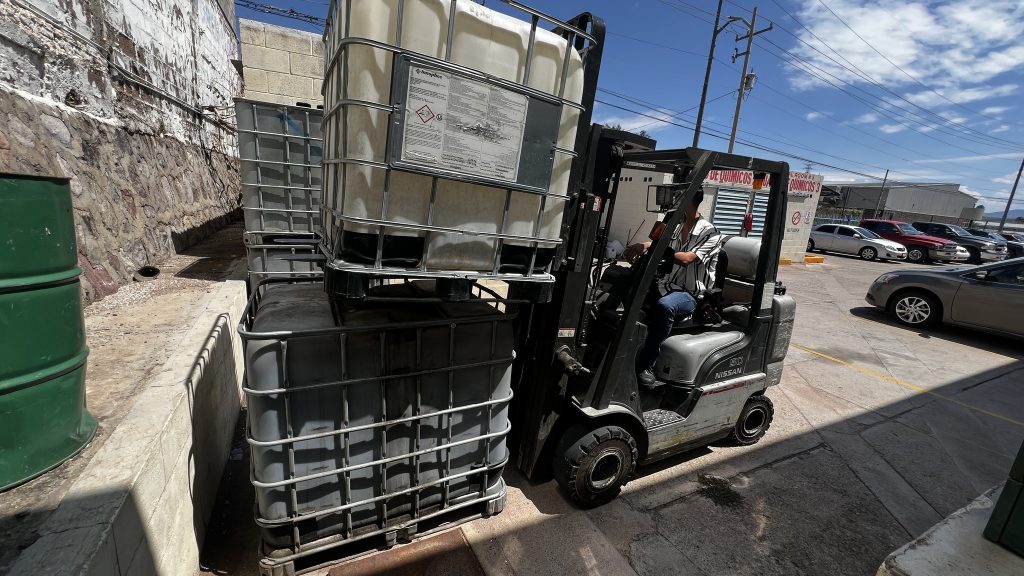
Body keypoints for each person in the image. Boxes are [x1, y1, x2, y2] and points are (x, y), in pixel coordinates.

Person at [621, 190, 722, 388]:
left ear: (689, 200)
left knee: (665, 306)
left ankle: (647, 363)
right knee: (629, 287)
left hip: (691, 294)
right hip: (667, 284)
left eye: (679, 198)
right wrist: (643, 246)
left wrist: (656, 250)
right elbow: (660, 244)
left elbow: (687, 259)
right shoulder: (676, 226)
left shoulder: (711, 232)